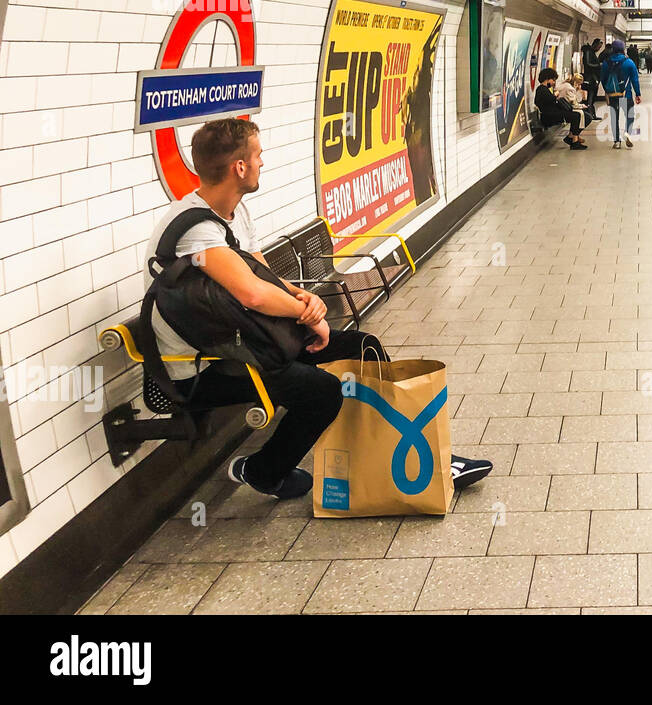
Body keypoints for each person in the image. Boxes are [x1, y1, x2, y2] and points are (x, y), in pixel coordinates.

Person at [143, 118, 492, 499]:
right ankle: (264, 470)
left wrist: (307, 303)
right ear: (238, 167)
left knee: (363, 346)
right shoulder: (194, 228)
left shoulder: (234, 211)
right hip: (204, 367)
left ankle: (411, 451)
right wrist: (305, 316)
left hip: (242, 342)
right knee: (322, 392)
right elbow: (252, 295)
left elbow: (265, 278)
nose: (263, 162)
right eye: (258, 156)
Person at [602, 39, 641, 149]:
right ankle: (627, 133)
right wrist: (638, 94)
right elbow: (635, 80)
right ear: (623, 49)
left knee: (615, 117)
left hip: (613, 95)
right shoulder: (629, 62)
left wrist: (608, 90)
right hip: (626, 95)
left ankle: (617, 142)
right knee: (630, 116)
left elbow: (603, 79)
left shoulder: (606, 62)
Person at [535, 67, 587, 148]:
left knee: (576, 115)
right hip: (548, 115)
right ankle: (574, 141)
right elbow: (550, 100)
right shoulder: (541, 89)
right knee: (576, 116)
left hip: (552, 113)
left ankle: (573, 139)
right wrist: (555, 95)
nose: (554, 83)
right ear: (547, 79)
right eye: (553, 80)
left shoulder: (544, 89)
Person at [582, 38, 604, 116]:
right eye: (599, 47)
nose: (599, 49)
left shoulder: (592, 52)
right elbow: (588, 64)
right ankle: (590, 114)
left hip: (594, 77)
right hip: (591, 78)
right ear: (595, 44)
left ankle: (591, 114)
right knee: (591, 97)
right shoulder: (588, 52)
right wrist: (599, 65)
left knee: (593, 96)